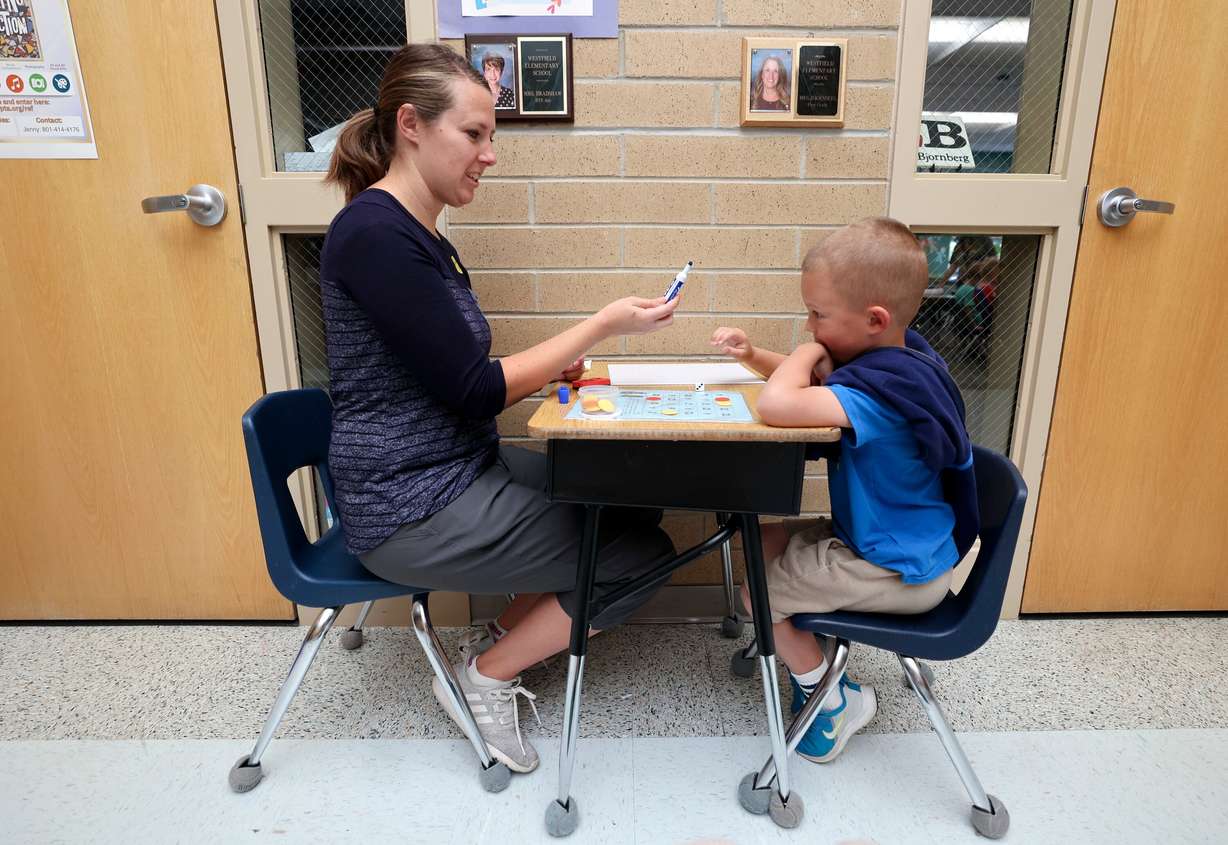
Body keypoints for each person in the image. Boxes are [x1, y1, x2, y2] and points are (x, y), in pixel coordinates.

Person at [321, 44, 680, 775]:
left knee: (634, 511)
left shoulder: (417, 235)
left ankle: (490, 644)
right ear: (412, 125)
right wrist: (602, 324)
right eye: (475, 134)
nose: (490, 154)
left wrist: (554, 367)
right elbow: (476, 388)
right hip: (408, 502)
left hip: (454, 470)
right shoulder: (375, 234)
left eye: (492, 136)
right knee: (639, 558)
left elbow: (454, 374)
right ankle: (486, 679)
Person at [709, 217, 978, 764]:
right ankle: (818, 654)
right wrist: (757, 355)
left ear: (873, 320)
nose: (810, 327)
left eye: (817, 315)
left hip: (899, 570)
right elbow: (817, 386)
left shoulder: (883, 396)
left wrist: (806, 355)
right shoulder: (901, 364)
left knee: (754, 597)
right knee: (758, 544)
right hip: (893, 545)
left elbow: (782, 405)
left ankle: (831, 699)